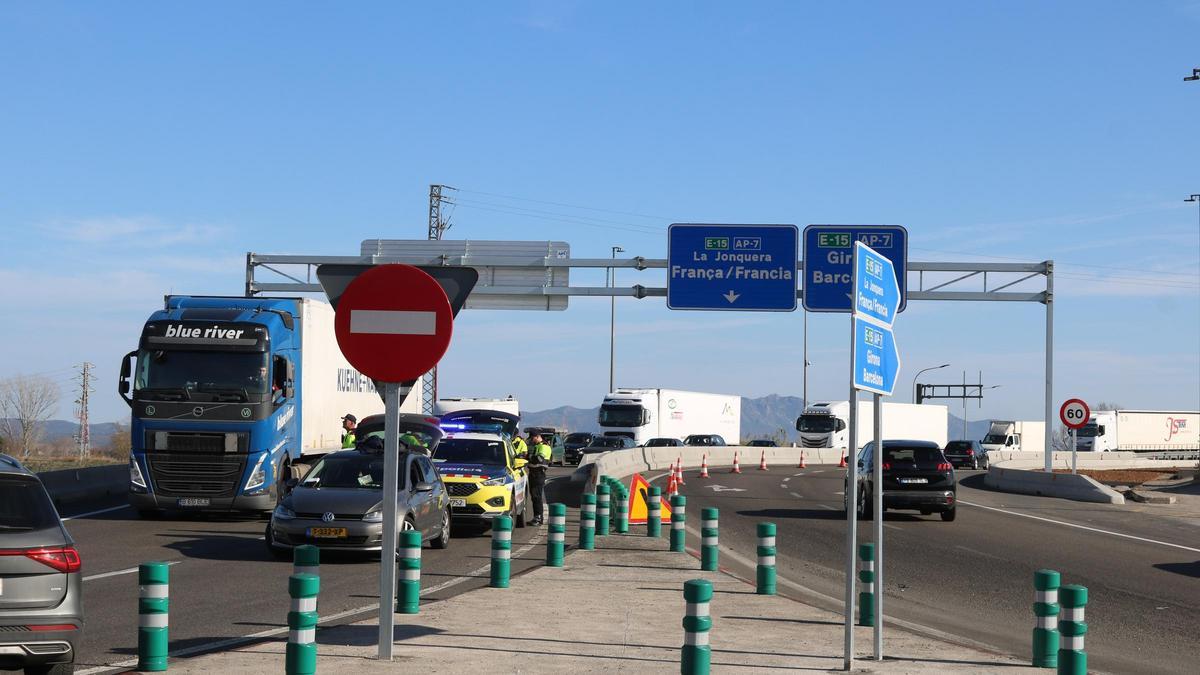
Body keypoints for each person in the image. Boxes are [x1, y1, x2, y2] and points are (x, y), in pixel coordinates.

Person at [526, 433, 552, 525]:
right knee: (534, 496)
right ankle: (536, 517)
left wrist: (528, 456)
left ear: (537, 436)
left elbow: (539, 459)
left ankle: (538, 518)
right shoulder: (537, 446)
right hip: (534, 473)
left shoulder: (544, 447)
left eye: (533, 438)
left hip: (538, 474)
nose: (532, 440)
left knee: (536, 496)